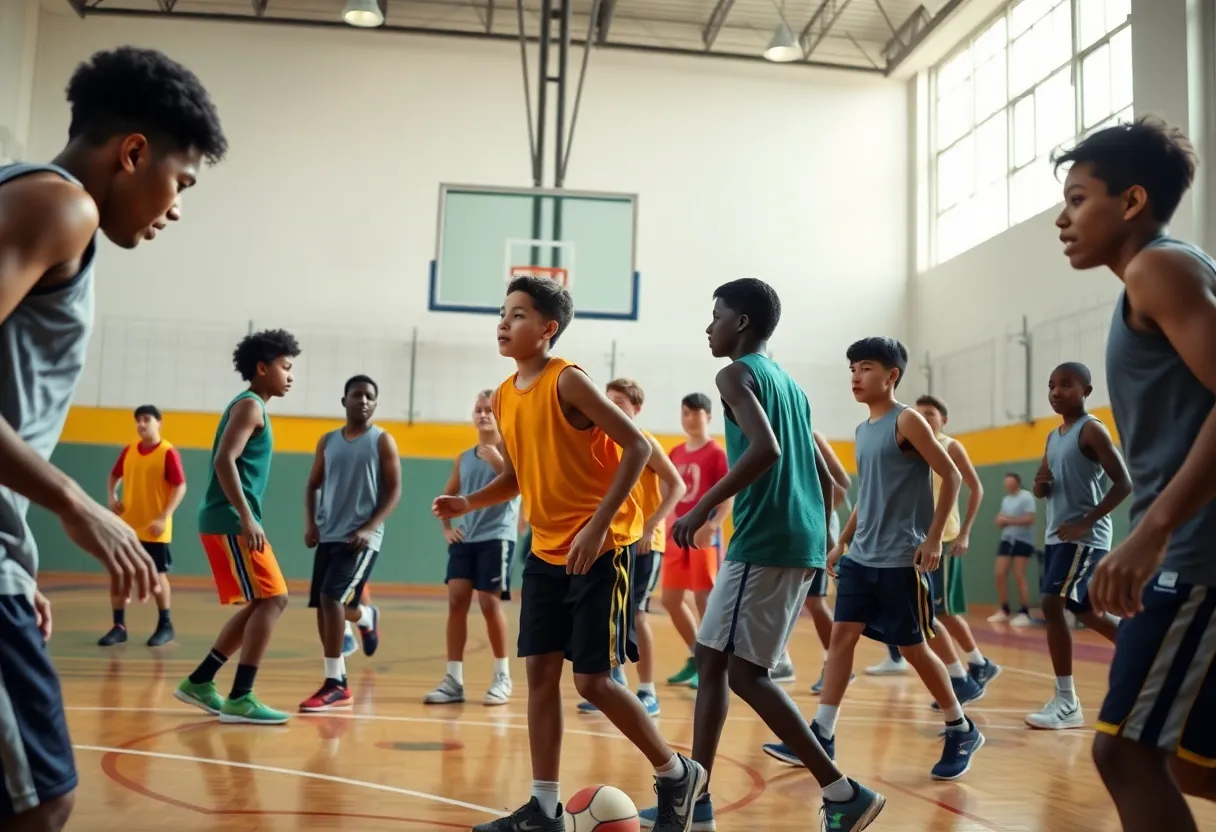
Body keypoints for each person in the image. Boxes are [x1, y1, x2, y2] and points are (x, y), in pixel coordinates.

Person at [0, 46, 225, 831]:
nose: (177, 208)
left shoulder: (32, 198)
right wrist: (73, 503)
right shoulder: (62, 206)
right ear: (133, 153)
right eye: (181, 183)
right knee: (41, 799)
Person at [432, 276, 704, 832]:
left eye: (518, 315)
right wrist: (468, 500)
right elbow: (517, 476)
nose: (504, 324)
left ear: (548, 328)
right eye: (503, 314)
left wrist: (599, 525)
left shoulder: (569, 382)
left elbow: (637, 447)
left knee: (593, 681)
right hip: (548, 551)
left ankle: (677, 772)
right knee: (539, 677)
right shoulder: (506, 395)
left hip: (601, 549)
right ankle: (544, 807)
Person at [639, 279, 885, 832]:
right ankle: (695, 802)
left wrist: (701, 507)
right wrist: (818, 531)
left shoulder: (734, 373)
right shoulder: (791, 386)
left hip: (766, 537)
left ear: (741, 323)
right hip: (794, 536)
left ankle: (841, 791)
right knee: (713, 662)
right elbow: (826, 474)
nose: (709, 327)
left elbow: (766, 448)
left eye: (716, 315)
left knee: (745, 675)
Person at [1052, 117, 1214, 831]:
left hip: (1198, 557)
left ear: (1132, 201)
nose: (1064, 218)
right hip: (1188, 550)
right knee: (1184, 761)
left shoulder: (1160, 267)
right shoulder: (1155, 276)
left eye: (1079, 198)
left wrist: (1150, 534)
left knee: (1126, 755)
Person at [764, 337, 984, 782]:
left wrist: (935, 538)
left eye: (865, 368)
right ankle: (822, 732)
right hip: (863, 556)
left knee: (914, 648)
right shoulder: (864, 430)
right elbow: (868, 494)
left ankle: (960, 727)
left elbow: (953, 475)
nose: (856, 377)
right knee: (842, 638)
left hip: (902, 557)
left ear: (892, 376)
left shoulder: (909, 421)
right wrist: (843, 540)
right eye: (852, 369)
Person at [175, 329, 301, 726]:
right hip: (229, 517)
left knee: (264, 600)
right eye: (285, 367)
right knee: (275, 599)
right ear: (261, 368)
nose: (290, 375)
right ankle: (241, 696)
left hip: (226, 516)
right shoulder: (250, 407)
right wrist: (247, 517)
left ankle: (201, 681)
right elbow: (224, 460)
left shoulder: (252, 406)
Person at [1024, 362, 1128, 731]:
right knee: (1086, 612)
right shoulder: (1054, 437)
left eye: (1066, 385)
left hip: (1085, 537)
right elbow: (1043, 487)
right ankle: (1143, 647)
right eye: (1052, 385)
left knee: (1053, 603)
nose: (1056, 392)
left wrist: (1088, 520)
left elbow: (1124, 483)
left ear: (1086, 391)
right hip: (1058, 535)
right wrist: (1040, 486)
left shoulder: (1092, 430)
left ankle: (1067, 701)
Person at [578, 378, 685, 717]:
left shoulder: (645, 442)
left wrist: (652, 525)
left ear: (636, 409)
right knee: (612, 615)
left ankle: (647, 691)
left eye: (620, 403)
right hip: (614, 542)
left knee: (637, 613)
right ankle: (615, 683)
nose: (612, 408)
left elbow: (677, 486)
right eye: (608, 402)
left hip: (644, 544)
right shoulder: (602, 444)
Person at [301, 374, 399, 712]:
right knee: (324, 606)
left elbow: (394, 490)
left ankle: (336, 684)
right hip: (328, 533)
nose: (363, 400)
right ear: (344, 401)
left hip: (359, 539)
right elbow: (312, 485)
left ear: (375, 403)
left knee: (331, 600)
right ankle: (366, 618)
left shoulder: (382, 440)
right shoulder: (327, 441)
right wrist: (311, 522)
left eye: (370, 396)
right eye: (356, 395)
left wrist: (370, 527)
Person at [426, 388, 520, 707]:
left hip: (497, 538)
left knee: (490, 605)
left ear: (500, 417)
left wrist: (498, 461)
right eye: (478, 409)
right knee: (456, 601)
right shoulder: (464, 457)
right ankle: (453, 680)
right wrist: (447, 529)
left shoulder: (511, 451)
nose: (483, 414)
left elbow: (518, 486)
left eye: (489, 410)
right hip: (466, 540)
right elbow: (448, 496)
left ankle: (502, 676)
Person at [917, 395, 1001, 703]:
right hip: (920, 539)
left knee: (940, 611)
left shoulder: (950, 446)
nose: (924, 418)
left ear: (943, 420)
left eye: (930, 414)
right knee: (941, 612)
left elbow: (976, 487)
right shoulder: (914, 446)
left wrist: (965, 532)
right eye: (919, 414)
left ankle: (968, 672)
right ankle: (979, 664)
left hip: (945, 538)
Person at [99, 405, 188, 648]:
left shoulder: (168, 452)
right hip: (127, 527)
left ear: (158, 422)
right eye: (138, 420)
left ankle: (165, 625)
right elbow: (114, 475)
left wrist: (164, 517)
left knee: (157, 576)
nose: (141, 424)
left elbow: (180, 486)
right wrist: (112, 497)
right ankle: (119, 626)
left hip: (154, 529)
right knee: (119, 574)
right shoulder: (129, 451)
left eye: (146, 419)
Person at [662, 393, 732, 690]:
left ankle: (713, 665)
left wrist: (713, 525)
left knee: (705, 600)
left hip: (703, 534)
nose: (690, 418)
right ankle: (696, 656)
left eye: (696, 413)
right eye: (685, 413)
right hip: (676, 534)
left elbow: (729, 495)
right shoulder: (675, 452)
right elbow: (667, 493)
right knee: (670, 599)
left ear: (709, 417)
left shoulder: (716, 453)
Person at [779, 431, 855, 694]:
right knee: (783, 596)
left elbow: (843, 483)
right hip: (789, 525)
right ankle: (781, 662)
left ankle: (836, 665)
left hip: (816, 525)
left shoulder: (808, 435)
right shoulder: (765, 432)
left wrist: (816, 512)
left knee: (814, 600)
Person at [989, 473, 1037, 624]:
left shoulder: (1026, 497)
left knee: (1019, 575)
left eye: (1010, 481)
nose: (1007, 484)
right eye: (1006, 482)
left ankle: (1025, 613)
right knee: (999, 573)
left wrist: (1007, 520)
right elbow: (1000, 520)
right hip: (1006, 540)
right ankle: (1004, 610)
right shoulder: (1006, 499)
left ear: (1017, 482)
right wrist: (1000, 521)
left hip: (1023, 541)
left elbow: (1030, 518)